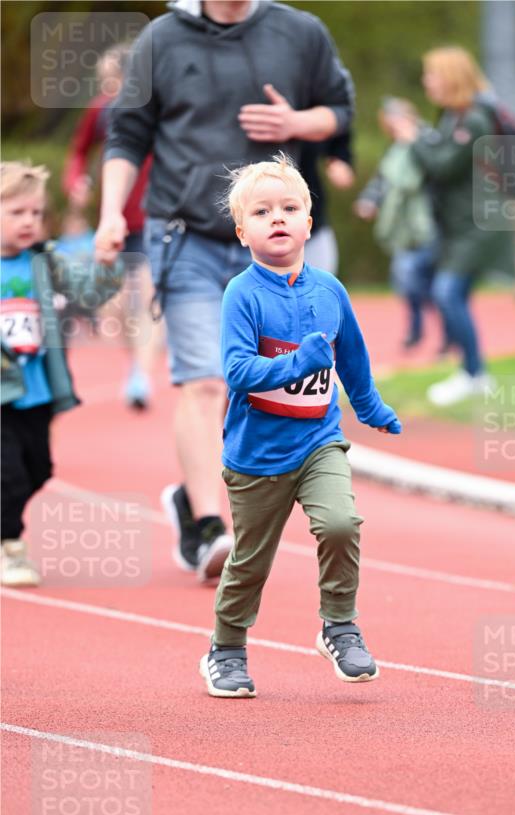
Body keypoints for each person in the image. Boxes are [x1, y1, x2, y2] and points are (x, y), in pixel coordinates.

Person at [94, 0, 354, 584]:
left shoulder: (300, 31)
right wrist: (112, 213)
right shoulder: (162, 37)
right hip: (186, 236)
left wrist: (298, 125)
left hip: (273, 244)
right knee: (206, 378)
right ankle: (211, 525)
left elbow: (340, 113)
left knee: (278, 388)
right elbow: (127, 133)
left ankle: (192, 501)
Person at [198, 155, 401, 698]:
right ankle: (227, 648)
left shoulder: (329, 290)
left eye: (290, 208)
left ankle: (339, 625)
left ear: (309, 223)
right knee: (250, 563)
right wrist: (297, 363)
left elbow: (352, 359)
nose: (278, 218)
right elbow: (238, 372)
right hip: (257, 455)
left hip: (319, 441)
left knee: (341, 523)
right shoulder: (242, 294)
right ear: (243, 232)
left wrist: (372, 408)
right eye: (263, 212)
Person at [1, 162, 123, 586]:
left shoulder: (45, 261)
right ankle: (9, 546)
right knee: (9, 472)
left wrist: (107, 263)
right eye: (16, 213)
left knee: (39, 469)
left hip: (36, 389)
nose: (29, 222)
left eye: (36, 213)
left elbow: (88, 293)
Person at [390, 46, 515, 406]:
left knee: (448, 292)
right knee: (448, 293)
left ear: (450, 78)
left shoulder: (474, 119)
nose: (427, 82)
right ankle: (473, 371)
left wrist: (412, 140)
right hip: (460, 226)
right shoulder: (454, 118)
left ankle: (475, 374)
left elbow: (444, 167)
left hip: (478, 225)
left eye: (432, 75)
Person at [64, 43, 161, 408]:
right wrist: (76, 183)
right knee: (114, 308)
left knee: (147, 301)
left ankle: (142, 378)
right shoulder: (101, 111)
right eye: (105, 83)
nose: (109, 90)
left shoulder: (157, 109)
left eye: (115, 81)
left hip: (154, 217)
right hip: (115, 220)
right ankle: (136, 361)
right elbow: (78, 151)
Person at [354, 97, 438, 350]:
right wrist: (369, 201)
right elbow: (382, 181)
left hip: (430, 224)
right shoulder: (395, 150)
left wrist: (414, 142)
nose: (393, 128)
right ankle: (416, 329)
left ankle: (448, 331)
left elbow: (439, 171)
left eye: (396, 121)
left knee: (428, 284)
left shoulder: (430, 140)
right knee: (405, 279)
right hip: (403, 229)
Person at [301, 132, 355, 274]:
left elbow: (340, 124)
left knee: (321, 286)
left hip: (314, 222)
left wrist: (340, 158)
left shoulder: (310, 112)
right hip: (250, 236)